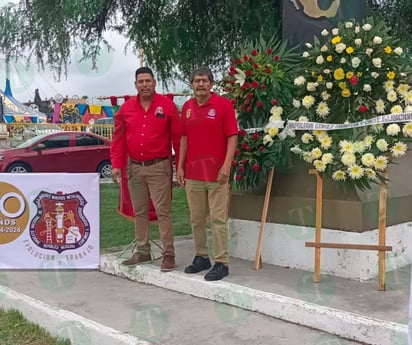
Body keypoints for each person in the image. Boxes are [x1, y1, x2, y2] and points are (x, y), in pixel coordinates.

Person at [110, 66, 181, 272]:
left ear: (154, 82)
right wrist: (116, 164)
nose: (144, 85)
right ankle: (143, 250)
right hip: (135, 168)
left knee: (163, 211)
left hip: (159, 167)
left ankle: (168, 253)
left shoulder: (167, 106)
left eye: (148, 81)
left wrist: (180, 165)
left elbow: (177, 137)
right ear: (135, 85)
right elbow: (118, 139)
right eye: (140, 82)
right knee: (140, 210)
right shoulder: (126, 109)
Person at [177, 67, 238, 281]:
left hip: (216, 174)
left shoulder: (223, 105)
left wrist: (227, 165)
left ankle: (222, 262)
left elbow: (232, 137)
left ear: (212, 84)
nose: (200, 84)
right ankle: (202, 257)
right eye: (196, 81)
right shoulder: (186, 108)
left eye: (204, 81)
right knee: (196, 219)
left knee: (218, 220)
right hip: (194, 174)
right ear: (192, 85)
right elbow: (184, 138)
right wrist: (180, 165)